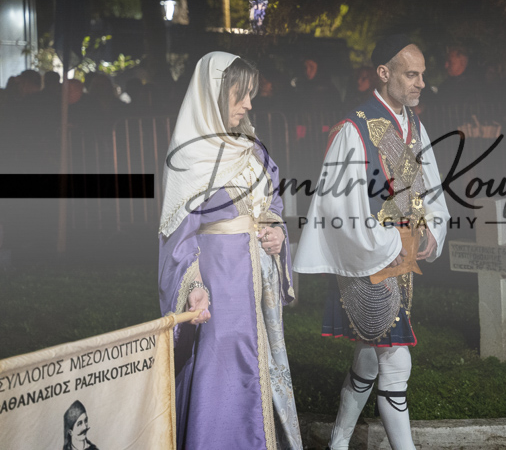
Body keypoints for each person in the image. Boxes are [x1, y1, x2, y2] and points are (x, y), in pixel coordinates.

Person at [294, 35, 450, 450]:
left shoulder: (414, 125)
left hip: (402, 260)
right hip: (368, 258)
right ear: (383, 73)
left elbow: (429, 187)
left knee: (369, 358)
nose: (421, 83)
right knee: (396, 363)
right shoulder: (353, 128)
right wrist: (389, 241)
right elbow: (338, 205)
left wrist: (430, 230)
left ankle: (338, 442)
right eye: (411, 74)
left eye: (422, 75)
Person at [158, 52, 302, 449]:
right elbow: (177, 236)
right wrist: (193, 286)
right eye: (240, 94)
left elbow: (272, 205)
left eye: (251, 94)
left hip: (258, 287)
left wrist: (276, 232)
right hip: (220, 286)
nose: (249, 104)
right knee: (221, 368)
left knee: (261, 367)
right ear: (213, 94)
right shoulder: (190, 156)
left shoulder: (252, 149)